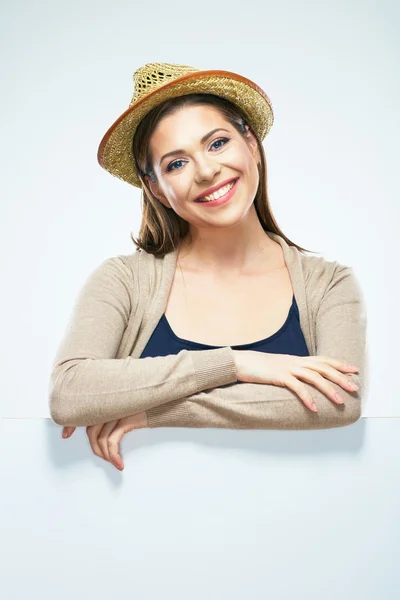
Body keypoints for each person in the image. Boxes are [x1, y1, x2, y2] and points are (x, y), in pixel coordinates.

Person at [49, 62, 367, 471]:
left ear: (250, 142)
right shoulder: (124, 280)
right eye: (175, 164)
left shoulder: (329, 284)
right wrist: (235, 363)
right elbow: (70, 395)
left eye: (217, 143)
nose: (206, 170)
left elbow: (338, 402)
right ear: (156, 189)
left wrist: (157, 414)